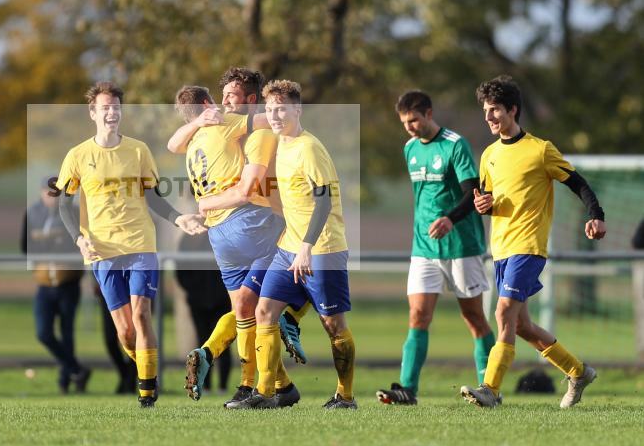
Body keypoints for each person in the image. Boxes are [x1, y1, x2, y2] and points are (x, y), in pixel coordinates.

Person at [55, 82, 206, 407]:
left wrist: (179, 219)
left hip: (140, 244)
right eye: (105, 107)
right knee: (125, 331)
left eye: (116, 107)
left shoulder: (138, 151)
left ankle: (148, 393)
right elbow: (64, 205)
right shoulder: (78, 155)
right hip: (102, 251)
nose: (112, 112)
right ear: (93, 112)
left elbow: (154, 195)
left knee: (141, 315)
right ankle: (143, 369)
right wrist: (79, 239)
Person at [461, 75, 606, 408]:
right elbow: (487, 198)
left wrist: (596, 214)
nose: (489, 118)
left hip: (529, 246)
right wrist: (484, 204)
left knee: (503, 311)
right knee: (522, 326)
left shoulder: (541, 150)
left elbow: (579, 184)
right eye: (485, 111)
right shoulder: (489, 155)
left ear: (513, 110)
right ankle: (578, 371)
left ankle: (491, 389)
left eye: (495, 110)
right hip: (501, 248)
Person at [169, 72, 305, 409]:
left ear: (249, 99)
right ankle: (278, 385)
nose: (225, 101)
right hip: (225, 230)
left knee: (256, 306)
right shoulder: (219, 130)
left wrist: (206, 203)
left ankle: (247, 379)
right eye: (223, 95)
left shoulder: (257, 133)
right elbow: (173, 144)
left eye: (232, 95)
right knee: (245, 308)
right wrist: (197, 121)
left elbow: (246, 191)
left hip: (267, 224)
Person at [234, 80, 357, 410]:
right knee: (264, 311)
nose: (274, 115)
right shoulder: (279, 143)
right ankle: (265, 392)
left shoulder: (309, 147)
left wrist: (306, 246)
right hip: (289, 247)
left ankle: (345, 396)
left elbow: (324, 201)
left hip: (322, 249)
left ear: (297, 110)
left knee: (333, 325)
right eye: (270, 109)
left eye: (281, 109)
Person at [376, 91, 495, 406]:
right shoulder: (410, 148)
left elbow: (472, 194)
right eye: (404, 122)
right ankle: (407, 389)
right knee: (418, 315)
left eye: (414, 120)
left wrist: (449, 220)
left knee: (473, 317)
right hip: (424, 247)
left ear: (428, 114)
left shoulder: (456, 145)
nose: (410, 127)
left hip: (461, 245)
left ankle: (489, 387)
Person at [22, 179, 90, 394]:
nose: (51, 196)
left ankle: (66, 381)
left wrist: (59, 245)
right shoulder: (33, 213)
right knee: (43, 333)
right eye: (47, 191)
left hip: (68, 281)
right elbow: (26, 246)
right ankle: (76, 369)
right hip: (44, 282)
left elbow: (80, 244)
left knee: (67, 332)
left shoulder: (74, 212)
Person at [175, 230, 232, 394]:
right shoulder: (188, 239)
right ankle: (205, 386)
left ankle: (222, 386)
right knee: (202, 341)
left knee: (224, 343)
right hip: (197, 300)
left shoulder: (220, 234)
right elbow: (181, 271)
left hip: (220, 300)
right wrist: (193, 291)